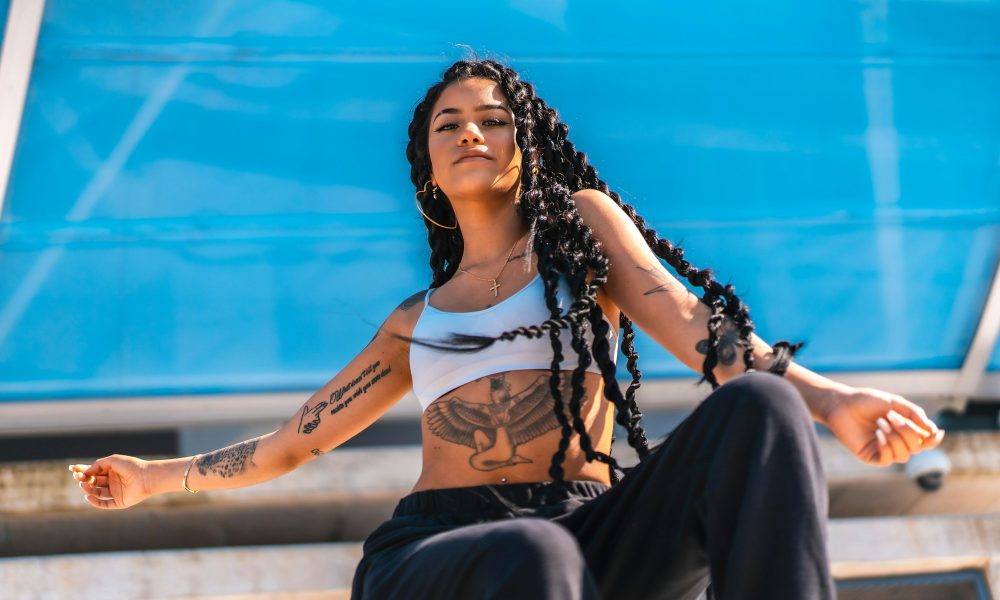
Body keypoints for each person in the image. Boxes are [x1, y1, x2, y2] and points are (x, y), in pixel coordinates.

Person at [69, 59, 946, 600]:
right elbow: (288, 447)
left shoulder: (585, 236)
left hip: (587, 531)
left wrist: (832, 402)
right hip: (439, 554)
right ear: (430, 173)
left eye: (494, 119)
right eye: (450, 124)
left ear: (527, 144)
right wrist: (153, 478)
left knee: (759, 410)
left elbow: (691, 322)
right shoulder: (414, 326)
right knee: (529, 558)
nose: (473, 131)